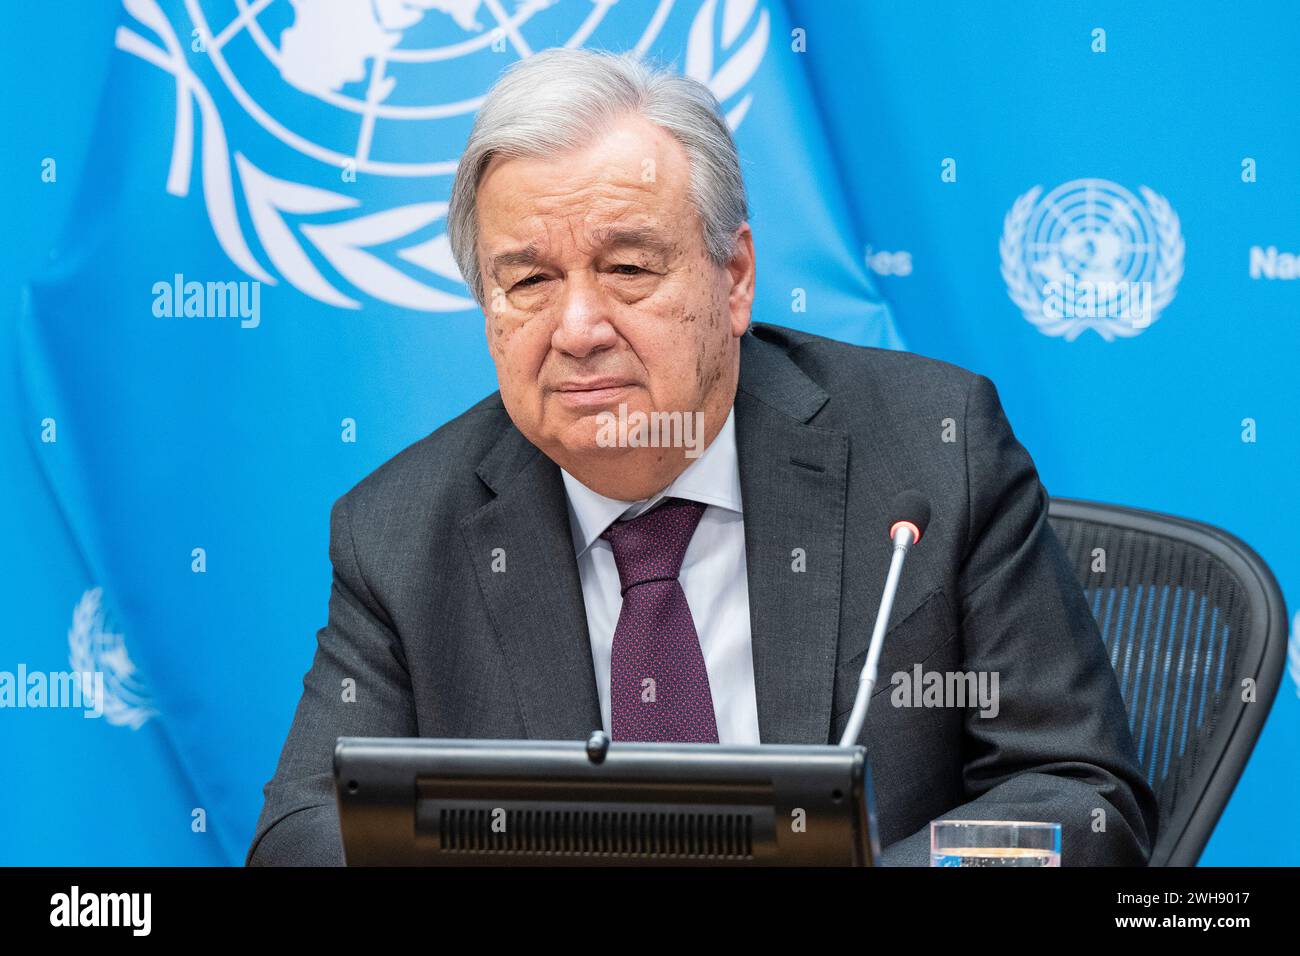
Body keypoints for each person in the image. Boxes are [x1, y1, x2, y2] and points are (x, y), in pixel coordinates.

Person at [247, 48, 1157, 866]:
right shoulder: (402, 533)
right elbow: (301, 836)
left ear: (733, 279)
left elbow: (1080, 801)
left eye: (629, 269)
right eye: (528, 281)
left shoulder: (932, 447)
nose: (577, 329)